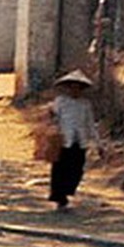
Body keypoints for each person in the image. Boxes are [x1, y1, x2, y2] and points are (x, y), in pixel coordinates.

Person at [48, 69, 100, 210]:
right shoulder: (61, 101)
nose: (75, 90)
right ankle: (59, 197)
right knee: (59, 169)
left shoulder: (85, 104)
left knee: (77, 169)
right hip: (63, 140)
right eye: (72, 87)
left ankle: (67, 190)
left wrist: (97, 142)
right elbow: (54, 118)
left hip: (80, 141)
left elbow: (90, 124)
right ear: (68, 88)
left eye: (78, 88)